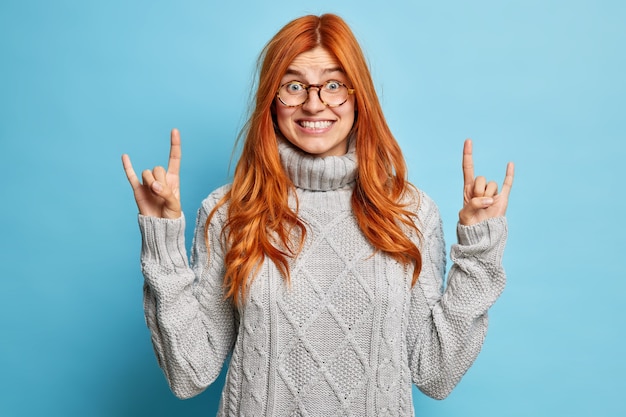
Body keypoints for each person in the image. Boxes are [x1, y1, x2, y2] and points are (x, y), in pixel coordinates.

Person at [122, 13, 514, 417]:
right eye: (293, 86)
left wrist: (479, 251)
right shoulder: (228, 212)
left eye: (333, 85)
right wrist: (162, 240)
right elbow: (189, 374)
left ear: (358, 94)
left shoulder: (409, 212)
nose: (313, 103)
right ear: (271, 101)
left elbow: (436, 373)